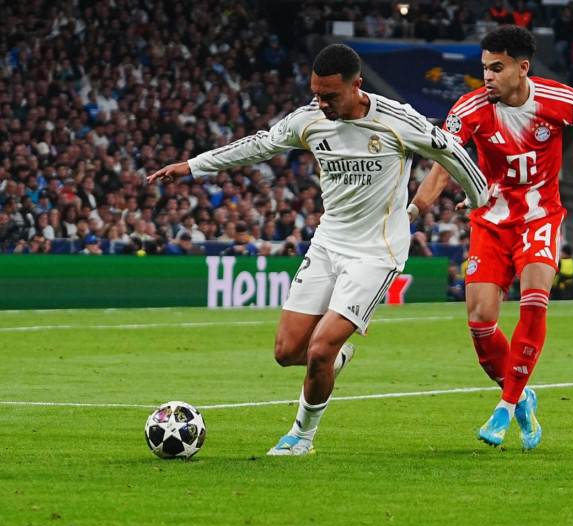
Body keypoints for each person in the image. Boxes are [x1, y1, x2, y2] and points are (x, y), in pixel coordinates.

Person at [148, 44, 489, 456]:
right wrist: (193, 166)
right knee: (287, 352)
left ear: (356, 85)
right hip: (328, 243)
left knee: (320, 348)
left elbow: (451, 151)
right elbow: (259, 144)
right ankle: (334, 360)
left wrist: (480, 198)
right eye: (316, 93)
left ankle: (301, 437)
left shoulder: (397, 119)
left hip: (376, 252)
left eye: (330, 95)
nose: (322, 103)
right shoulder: (309, 119)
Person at [410, 26, 573, 450]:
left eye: (497, 68)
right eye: (484, 67)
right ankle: (522, 397)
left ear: (522, 68)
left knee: (534, 303)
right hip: (491, 221)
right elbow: (442, 167)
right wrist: (412, 212)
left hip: (540, 217)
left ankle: (505, 407)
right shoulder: (469, 108)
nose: (488, 76)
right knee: (480, 324)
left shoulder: (560, 100)